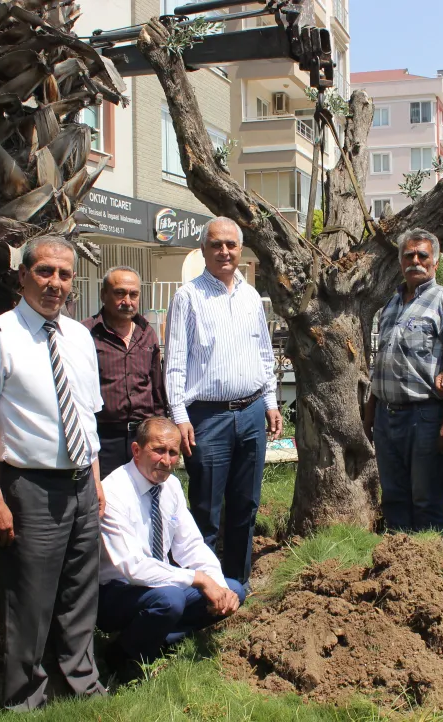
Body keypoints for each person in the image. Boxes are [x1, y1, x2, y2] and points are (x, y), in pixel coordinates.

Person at [0, 234, 105, 710]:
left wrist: (95, 480)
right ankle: (24, 697)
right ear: (23, 275)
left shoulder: (80, 337)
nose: (55, 283)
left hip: (81, 483)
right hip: (29, 487)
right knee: (29, 600)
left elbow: (86, 414)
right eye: (45, 271)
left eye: (64, 274)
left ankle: (81, 683)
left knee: (80, 592)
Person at [164, 216, 282, 586]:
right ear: (203, 250)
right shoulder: (188, 297)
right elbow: (175, 362)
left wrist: (270, 400)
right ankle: (203, 590)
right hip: (207, 418)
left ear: (240, 249)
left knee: (245, 505)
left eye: (231, 244)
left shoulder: (251, 296)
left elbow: (264, 353)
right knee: (205, 510)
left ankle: (237, 585)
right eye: (216, 244)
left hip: (251, 413)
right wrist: (179, 415)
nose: (224, 251)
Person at [97, 417, 245, 672]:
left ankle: (155, 641)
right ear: (136, 450)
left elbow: (191, 545)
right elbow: (133, 567)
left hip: (158, 586)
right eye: (158, 450)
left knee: (234, 590)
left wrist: (217, 585)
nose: (166, 461)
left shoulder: (171, 486)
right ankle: (121, 656)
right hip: (115, 591)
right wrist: (199, 579)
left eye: (173, 453)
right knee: (170, 599)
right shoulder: (114, 491)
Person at [362, 228, 443, 531]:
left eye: (423, 255)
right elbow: (381, 360)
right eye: (409, 255)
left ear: (436, 261)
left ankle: (427, 559)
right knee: (393, 497)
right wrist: (370, 411)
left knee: (425, 498)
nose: (416, 261)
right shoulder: (391, 305)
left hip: (424, 416)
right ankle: (397, 557)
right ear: (400, 262)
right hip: (386, 417)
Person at [82, 266, 168, 478]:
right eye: (119, 293)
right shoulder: (85, 333)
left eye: (133, 294)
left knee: (145, 492)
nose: (127, 301)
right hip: (104, 437)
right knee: (106, 494)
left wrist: (160, 427)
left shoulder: (147, 332)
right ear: (104, 295)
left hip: (143, 436)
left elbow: (156, 386)